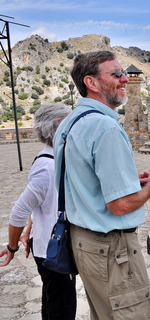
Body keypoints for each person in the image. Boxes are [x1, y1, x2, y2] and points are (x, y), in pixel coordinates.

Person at [53, 51, 150, 320]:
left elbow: (79, 182)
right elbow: (120, 205)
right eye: (116, 74)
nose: (125, 79)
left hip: (83, 244)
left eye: (124, 73)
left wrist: (126, 182)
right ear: (91, 82)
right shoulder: (106, 128)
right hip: (112, 250)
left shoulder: (68, 124)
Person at [0, 103, 76, 319]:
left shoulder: (54, 158)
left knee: (52, 305)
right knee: (61, 310)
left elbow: (42, 205)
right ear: (58, 126)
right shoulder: (47, 168)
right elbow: (18, 212)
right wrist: (12, 247)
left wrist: (28, 231)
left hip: (49, 245)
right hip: (53, 251)